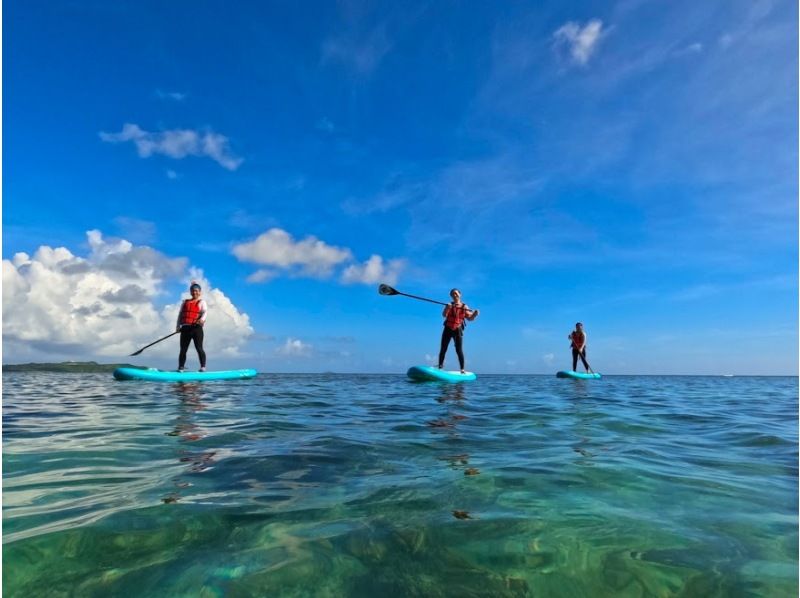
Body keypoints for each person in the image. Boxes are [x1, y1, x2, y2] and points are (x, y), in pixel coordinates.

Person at [438, 288, 479, 373]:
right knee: (443, 348)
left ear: (460, 294)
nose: (454, 295)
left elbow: (470, 318)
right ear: (451, 296)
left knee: (459, 349)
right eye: (452, 294)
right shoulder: (449, 305)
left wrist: (475, 314)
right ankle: (440, 366)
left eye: (456, 293)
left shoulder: (465, 307)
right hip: (448, 328)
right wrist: (447, 308)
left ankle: (462, 369)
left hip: (458, 329)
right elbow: (444, 315)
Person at [176, 282, 207, 372]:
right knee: (183, 349)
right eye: (193, 291)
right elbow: (180, 314)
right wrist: (178, 326)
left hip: (196, 328)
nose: (195, 293)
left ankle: (203, 367)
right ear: (190, 292)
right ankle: (181, 367)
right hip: (185, 328)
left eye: (196, 291)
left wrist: (202, 320)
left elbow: (205, 312)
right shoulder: (185, 302)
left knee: (199, 348)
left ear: (200, 292)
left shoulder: (202, 302)